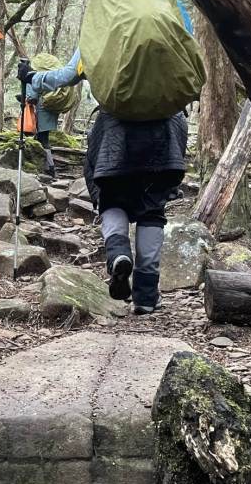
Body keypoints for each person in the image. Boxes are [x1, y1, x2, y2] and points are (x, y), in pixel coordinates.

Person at [18, 49, 188, 316]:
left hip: (115, 129)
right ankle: (146, 296)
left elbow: (67, 76)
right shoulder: (171, 16)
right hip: (166, 127)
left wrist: (32, 77)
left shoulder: (101, 28)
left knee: (111, 197)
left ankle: (118, 253)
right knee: (153, 210)